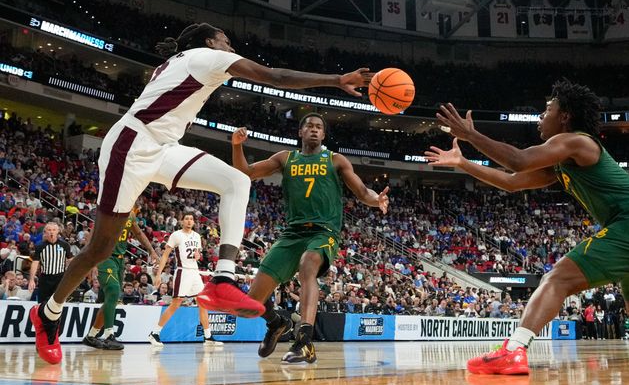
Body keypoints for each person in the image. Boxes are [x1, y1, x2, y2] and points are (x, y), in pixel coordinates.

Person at [31, 23, 372, 364]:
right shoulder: (206, 56)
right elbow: (275, 77)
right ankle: (49, 313)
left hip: (162, 147)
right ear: (210, 42)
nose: (230, 45)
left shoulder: (188, 61)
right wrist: (336, 80)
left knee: (237, 181)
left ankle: (222, 278)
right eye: (226, 40)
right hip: (131, 146)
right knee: (100, 247)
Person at [426, 79, 629, 374]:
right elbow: (513, 182)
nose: (541, 116)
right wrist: (464, 163)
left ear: (564, 116)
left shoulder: (578, 142)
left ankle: (513, 350)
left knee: (557, 278)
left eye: (547, 110)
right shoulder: (562, 159)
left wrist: (471, 135)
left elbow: (519, 160)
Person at [230, 114, 389, 363]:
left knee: (308, 264)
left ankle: (304, 340)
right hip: (292, 233)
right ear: (300, 132)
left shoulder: (335, 160)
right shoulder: (286, 158)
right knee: (249, 304)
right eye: (309, 126)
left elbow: (361, 192)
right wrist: (237, 145)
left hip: (323, 232)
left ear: (323, 135)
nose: (314, 130)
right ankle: (276, 323)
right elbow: (246, 172)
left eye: (319, 127)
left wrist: (375, 199)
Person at [82, 212, 156, 351]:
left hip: (120, 260)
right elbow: (91, 238)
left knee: (112, 298)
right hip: (105, 257)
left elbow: (138, 233)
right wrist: (91, 263)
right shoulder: (107, 209)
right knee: (114, 290)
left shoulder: (131, 214)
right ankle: (109, 335)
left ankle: (91, 336)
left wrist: (151, 250)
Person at [148, 213, 222, 347]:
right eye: (186, 219)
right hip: (183, 272)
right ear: (182, 221)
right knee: (176, 303)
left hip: (195, 272)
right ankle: (154, 333)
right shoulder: (176, 235)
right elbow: (165, 256)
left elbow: (197, 256)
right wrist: (158, 274)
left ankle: (208, 337)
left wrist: (198, 256)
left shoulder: (197, 236)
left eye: (191, 219)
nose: (189, 221)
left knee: (203, 303)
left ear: (194, 222)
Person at [28, 222, 73, 304]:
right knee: (43, 303)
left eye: (53, 230)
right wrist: (31, 280)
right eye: (49, 230)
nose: (51, 232)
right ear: (45, 232)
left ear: (58, 231)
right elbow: (35, 263)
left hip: (60, 278)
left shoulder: (65, 245)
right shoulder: (40, 246)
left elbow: (71, 260)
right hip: (45, 278)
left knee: (57, 303)